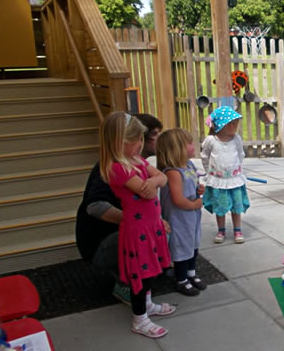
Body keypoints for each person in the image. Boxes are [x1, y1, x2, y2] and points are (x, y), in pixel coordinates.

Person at [76, 113, 165, 305]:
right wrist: (135, 221)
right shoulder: (113, 168)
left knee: (160, 231)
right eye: (156, 134)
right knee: (152, 236)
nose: (159, 139)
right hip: (101, 241)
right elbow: (95, 206)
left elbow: (159, 181)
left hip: (130, 227)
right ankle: (125, 282)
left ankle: (142, 281)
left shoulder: (139, 162)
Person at [100, 111, 175, 338]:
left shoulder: (136, 161)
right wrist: (154, 181)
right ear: (117, 143)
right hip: (137, 229)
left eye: (141, 140)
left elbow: (162, 178)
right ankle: (139, 319)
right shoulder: (117, 168)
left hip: (151, 225)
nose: (140, 146)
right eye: (135, 142)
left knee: (151, 270)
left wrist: (154, 180)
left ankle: (148, 304)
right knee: (140, 276)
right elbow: (145, 191)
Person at [156, 128, 207, 297]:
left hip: (191, 215)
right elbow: (177, 199)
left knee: (193, 243)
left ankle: (191, 273)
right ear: (177, 149)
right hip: (178, 217)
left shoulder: (189, 166)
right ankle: (181, 279)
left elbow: (190, 187)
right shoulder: (173, 173)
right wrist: (195, 204)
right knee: (181, 247)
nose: (194, 145)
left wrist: (198, 190)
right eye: (190, 143)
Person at [201, 106, 250, 244]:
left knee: (236, 205)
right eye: (231, 123)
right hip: (218, 181)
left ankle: (237, 229)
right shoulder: (211, 140)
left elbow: (241, 155)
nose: (235, 126)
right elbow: (205, 157)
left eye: (236, 123)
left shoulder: (237, 139)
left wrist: (236, 170)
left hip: (234, 180)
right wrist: (208, 172)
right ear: (220, 125)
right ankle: (221, 230)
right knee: (220, 207)